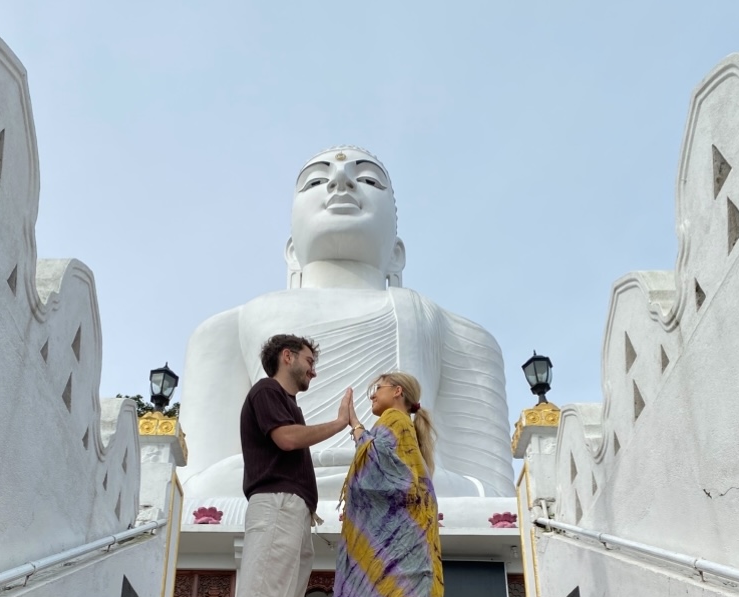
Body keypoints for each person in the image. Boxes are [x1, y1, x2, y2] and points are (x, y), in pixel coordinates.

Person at [178, 145, 515, 519]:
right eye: (317, 181)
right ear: (292, 252)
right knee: (209, 490)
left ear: (396, 254)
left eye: (368, 179)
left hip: (403, 486)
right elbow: (194, 483)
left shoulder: (453, 329)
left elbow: (492, 490)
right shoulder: (229, 325)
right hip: (281, 489)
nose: (341, 182)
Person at [220, 334, 355, 597]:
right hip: (276, 504)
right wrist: (340, 422)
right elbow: (287, 439)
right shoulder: (266, 391)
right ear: (287, 356)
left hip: (294, 510)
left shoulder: (289, 403)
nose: (314, 368)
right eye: (310, 360)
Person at [315, 372, 447, 597]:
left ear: (397, 391)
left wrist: (355, 425)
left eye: (378, 390)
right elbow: (382, 460)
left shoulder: (394, 420)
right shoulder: (397, 423)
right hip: (400, 541)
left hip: (397, 543)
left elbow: (384, 471)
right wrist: (355, 424)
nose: (374, 396)